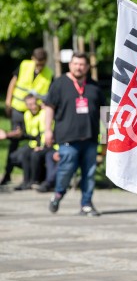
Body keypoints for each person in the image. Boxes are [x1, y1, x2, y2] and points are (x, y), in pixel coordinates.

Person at [44, 52, 105, 217]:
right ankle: (58, 193)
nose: (79, 67)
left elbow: (104, 111)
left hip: (90, 137)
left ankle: (86, 203)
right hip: (68, 138)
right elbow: (49, 107)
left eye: (82, 64)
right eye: (76, 64)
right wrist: (48, 130)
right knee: (66, 170)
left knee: (89, 173)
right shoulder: (59, 83)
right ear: (70, 65)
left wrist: (108, 135)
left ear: (87, 67)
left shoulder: (94, 85)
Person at [1, 48, 53, 186]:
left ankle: (35, 176)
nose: (39, 67)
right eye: (37, 64)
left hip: (35, 112)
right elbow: (13, 82)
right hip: (19, 108)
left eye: (42, 64)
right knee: (15, 141)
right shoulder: (24, 65)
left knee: (35, 140)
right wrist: (8, 101)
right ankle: (7, 174)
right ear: (32, 59)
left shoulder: (49, 74)